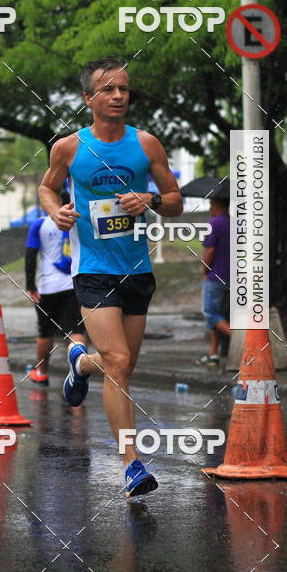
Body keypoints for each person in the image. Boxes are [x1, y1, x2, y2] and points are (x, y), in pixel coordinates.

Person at [38, 56, 183, 497]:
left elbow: (175, 200)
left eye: (123, 88)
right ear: (89, 99)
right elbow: (47, 186)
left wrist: (150, 199)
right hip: (94, 270)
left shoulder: (146, 145)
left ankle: (80, 363)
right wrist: (55, 210)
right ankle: (132, 466)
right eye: (108, 90)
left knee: (122, 368)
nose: (119, 96)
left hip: (137, 269)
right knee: (118, 362)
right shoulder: (69, 147)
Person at [25, 191, 87, 386]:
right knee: (76, 329)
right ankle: (79, 370)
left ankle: (42, 372)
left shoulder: (39, 224)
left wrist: (30, 285)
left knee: (45, 332)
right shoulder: (79, 220)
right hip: (74, 284)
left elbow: (30, 256)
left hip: (48, 287)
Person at [197, 197, 231, 365]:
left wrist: (204, 270)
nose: (210, 207)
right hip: (233, 277)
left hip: (216, 276)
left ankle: (244, 339)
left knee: (211, 314)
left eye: (211, 204)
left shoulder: (215, 223)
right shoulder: (235, 223)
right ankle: (213, 353)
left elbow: (210, 251)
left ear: (218, 205)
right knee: (221, 316)